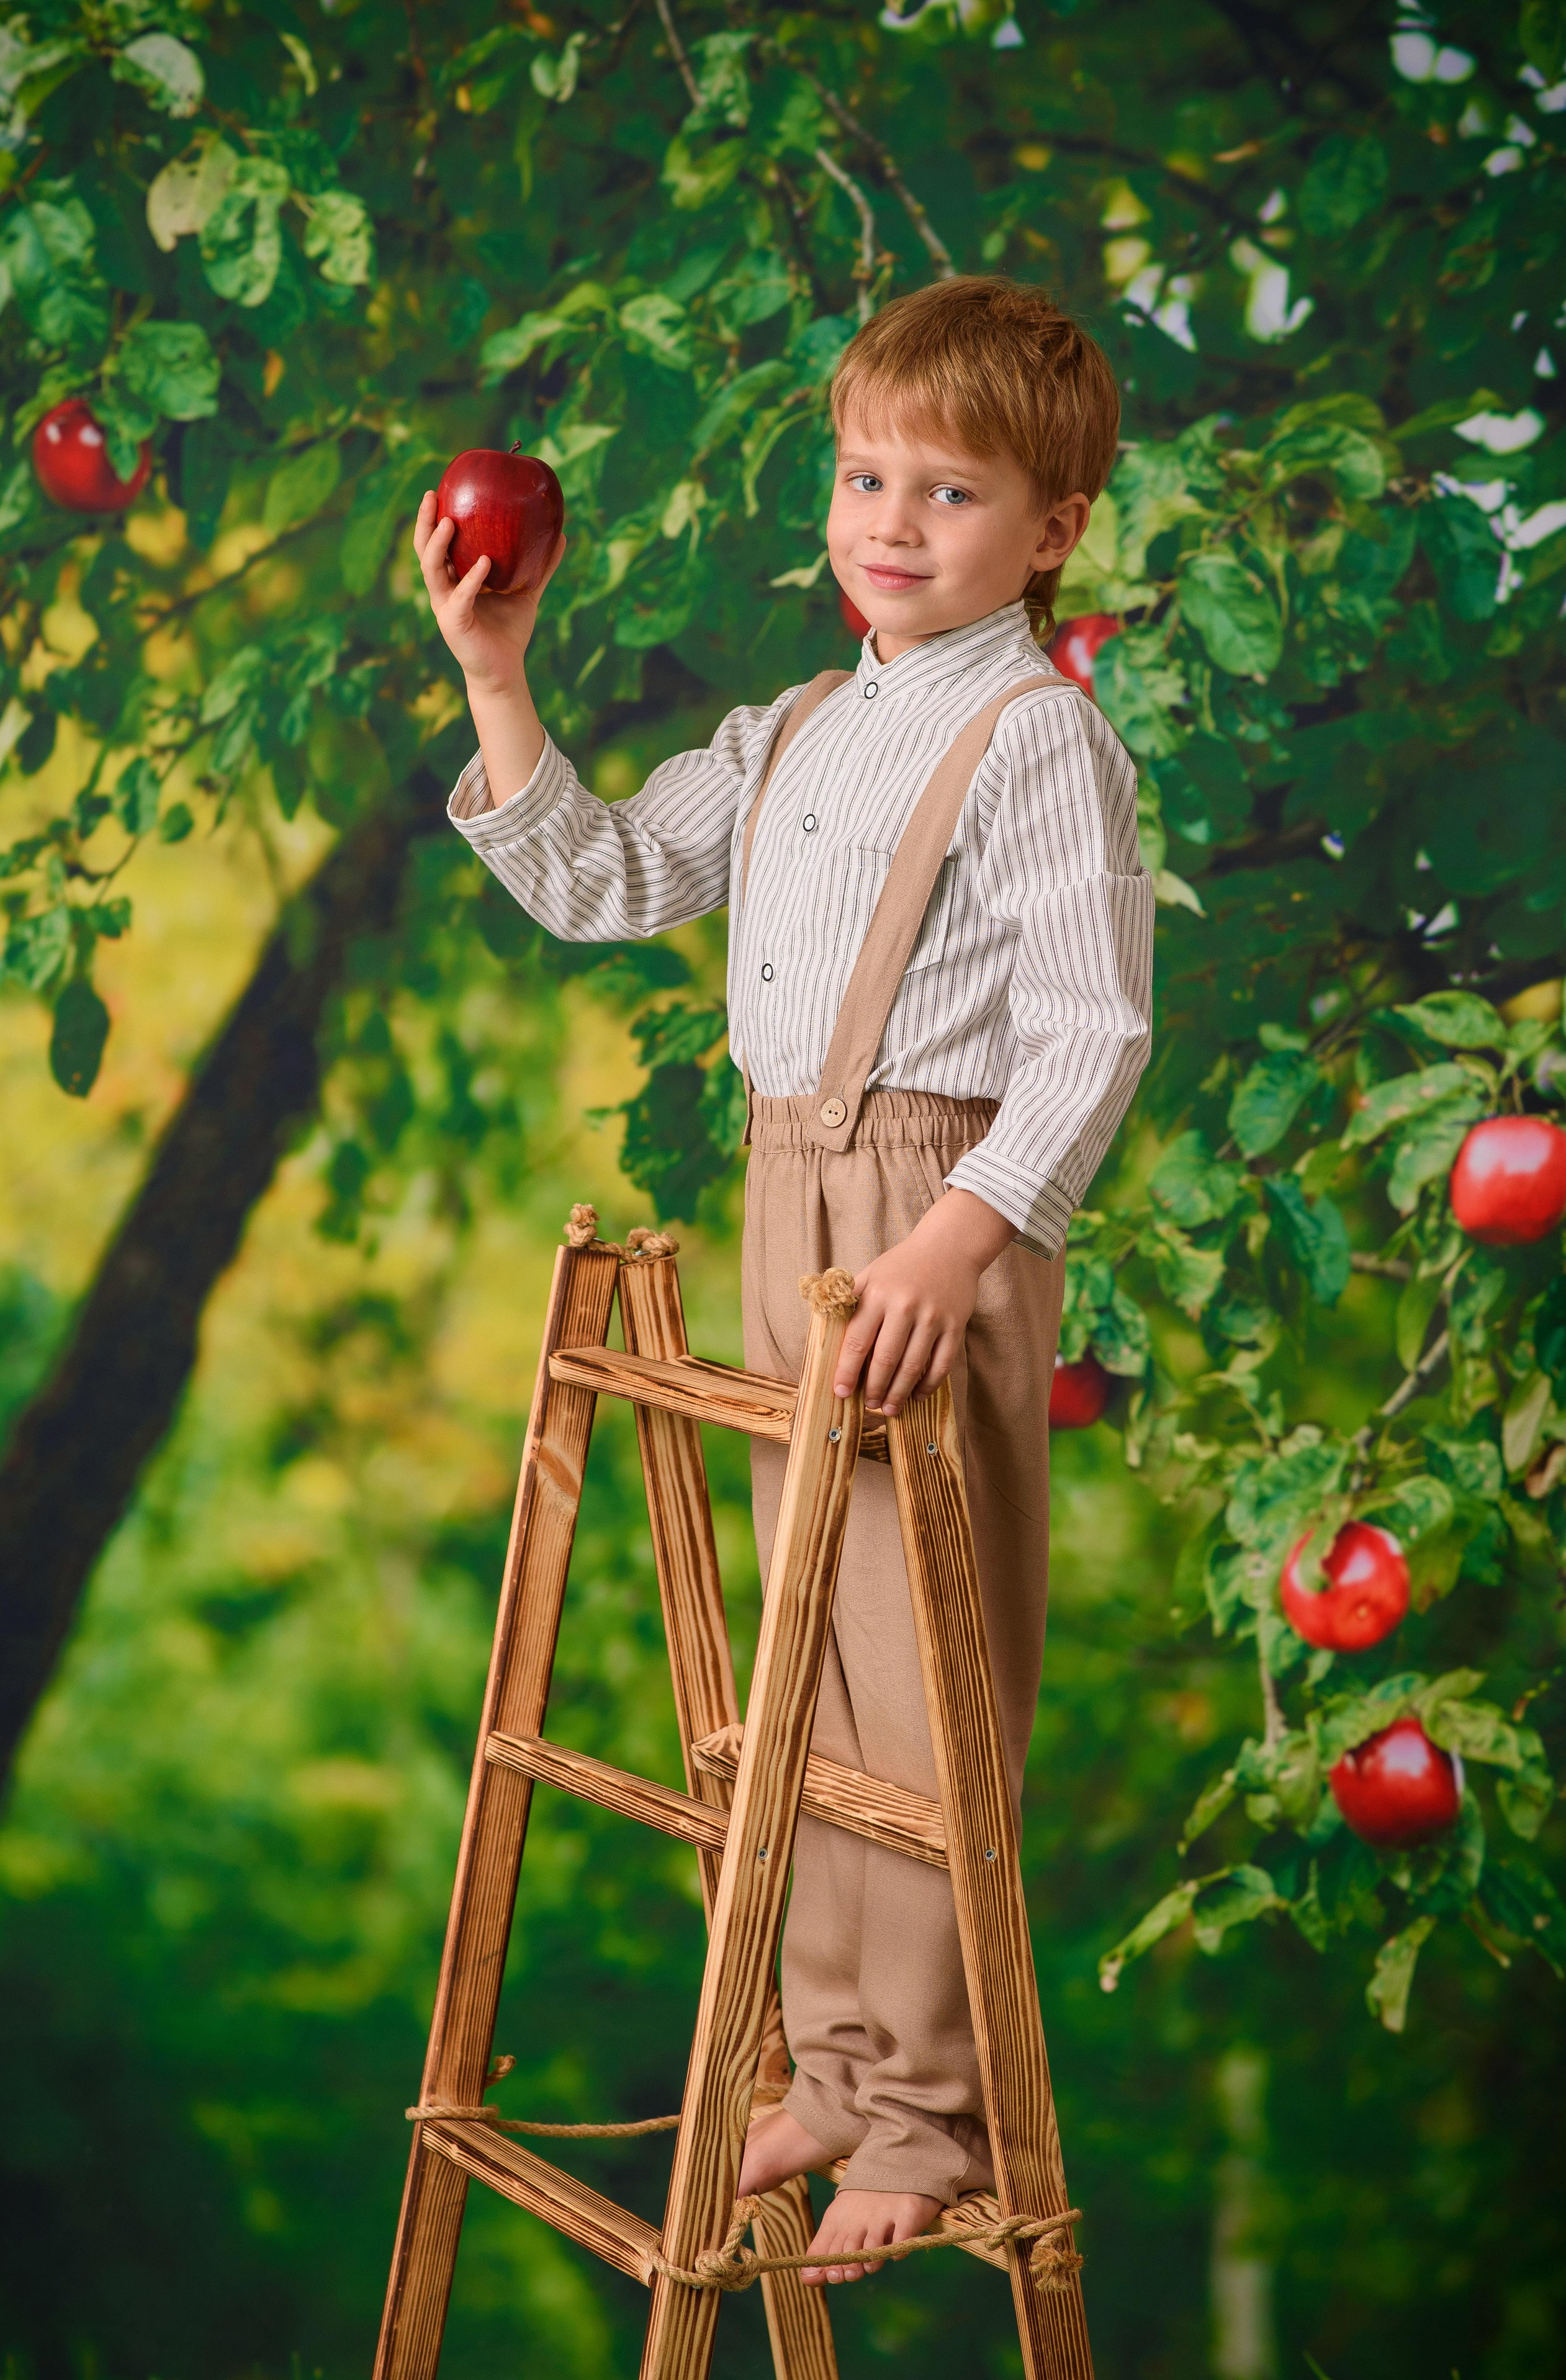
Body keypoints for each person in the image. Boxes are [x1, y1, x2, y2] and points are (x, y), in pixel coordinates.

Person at [413, 275, 1153, 2288]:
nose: (891, 521)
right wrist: (498, 675)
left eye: (951, 489)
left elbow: (1093, 1031)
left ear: (1055, 526)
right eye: (863, 476)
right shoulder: (798, 725)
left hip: (930, 1214)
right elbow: (605, 880)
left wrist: (959, 1234)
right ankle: (836, 2059)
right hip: (788, 1187)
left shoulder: (1042, 739)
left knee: (923, 1662)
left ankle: (927, 2109)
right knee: (811, 1648)